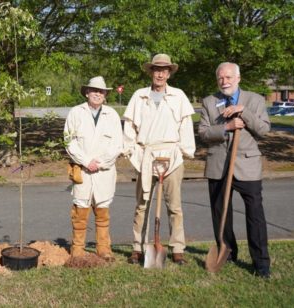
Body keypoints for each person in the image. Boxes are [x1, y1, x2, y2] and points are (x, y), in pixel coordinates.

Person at [198, 62, 271, 278]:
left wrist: (244, 112)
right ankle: (228, 252)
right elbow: (203, 133)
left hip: (247, 166)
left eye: (229, 77)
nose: (224, 81)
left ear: (238, 78)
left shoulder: (254, 100)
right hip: (218, 165)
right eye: (221, 78)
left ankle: (261, 263)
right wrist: (226, 127)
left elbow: (263, 130)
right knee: (221, 213)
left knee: (255, 216)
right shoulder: (210, 102)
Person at [123, 54, 195, 265]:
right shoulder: (139, 96)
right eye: (156, 69)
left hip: (171, 157)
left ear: (169, 73)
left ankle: (177, 248)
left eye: (164, 70)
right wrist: (132, 153)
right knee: (142, 205)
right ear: (151, 71)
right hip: (146, 157)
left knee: (174, 206)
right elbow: (130, 129)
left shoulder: (179, 96)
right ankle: (138, 247)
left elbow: (186, 127)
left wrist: (182, 152)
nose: (160, 73)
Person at [63, 76, 123, 260]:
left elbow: (117, 144)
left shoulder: (112, 115)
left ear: (105, 95)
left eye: (101, 91)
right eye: (94, 90)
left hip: (104, 171)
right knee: (80, 209)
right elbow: (69, 141)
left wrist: (100, 162)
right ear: (87, 92)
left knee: (102, 208)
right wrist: (85, 160)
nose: (98, 94)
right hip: (83, 170)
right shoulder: (75, 113)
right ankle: (78, 248)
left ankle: (103, 247)